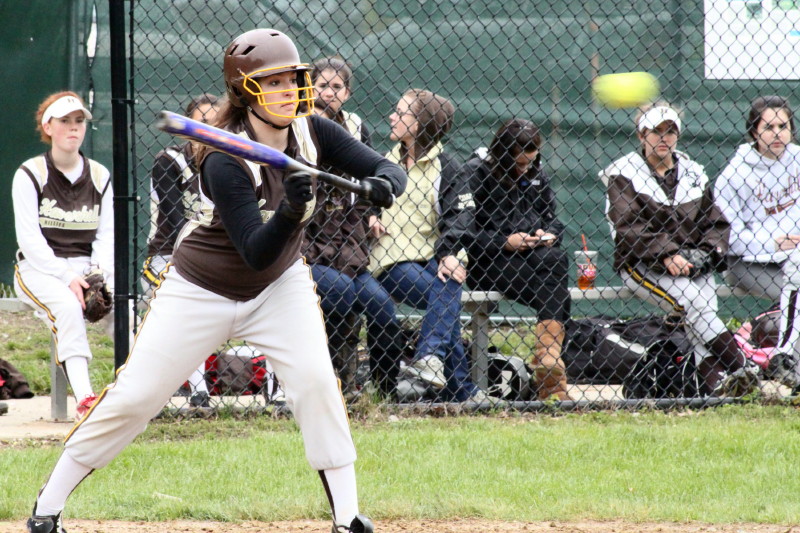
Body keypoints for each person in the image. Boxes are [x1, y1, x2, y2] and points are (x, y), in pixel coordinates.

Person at [25, 29, 405, 533]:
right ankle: (47, 508)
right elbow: (254, 250)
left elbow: (384, 165)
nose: (288, 90)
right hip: (201, 287)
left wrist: (384, 182)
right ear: (245, 91)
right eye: (273, 82)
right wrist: (291, 211)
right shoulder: (224, 158)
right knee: (136, 396)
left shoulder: (313, 130)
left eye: (292, 79)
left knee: (317, 384)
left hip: (280, 287)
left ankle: (348, 517)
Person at [602, 102, 760, 397]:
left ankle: (717, 387)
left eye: (671, 131)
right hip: (642, 263)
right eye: (656, 131)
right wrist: (666, 253)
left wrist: (706, 253)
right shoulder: (623, 173)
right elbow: (627, 228)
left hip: (691, 263)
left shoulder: (692, 172)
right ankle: (742, 367)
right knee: (694, 303)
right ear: (641, 135)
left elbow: (715, 222)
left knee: (703, 308)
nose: (664, 137)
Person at [369, 88, 483, 402]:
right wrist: (370, 215)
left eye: (400, 112)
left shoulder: (447, 167)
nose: (392, 117)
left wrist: (448, 254)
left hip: (433, 257)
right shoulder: (383, 163)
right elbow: (364, 199)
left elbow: (461, 217)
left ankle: (435, 364)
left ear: (419, 124)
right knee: (445, 294)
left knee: (449, 277)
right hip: (390, 259)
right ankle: (456, 384)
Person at [304, 57, 404, 397]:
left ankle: (385, 393)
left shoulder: (356, 128)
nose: (329, 93)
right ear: (309, 88)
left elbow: (367, 188)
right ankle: (333, 383)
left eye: (337, 87)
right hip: (306, 248)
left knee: (381, 306)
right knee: (340, 292)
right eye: (322, 85)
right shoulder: (295, 127)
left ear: (347, 93)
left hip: (346, 246)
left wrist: (370, 214)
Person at [12, 91, 112, 421]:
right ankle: (86, 399)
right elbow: (30, 241)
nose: (74, 127)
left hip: (86, 266)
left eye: (79, 121)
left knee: (122, 313)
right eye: (65, 121)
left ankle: (138, 395)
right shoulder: (30, 173)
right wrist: (68, 278)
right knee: (68, 308)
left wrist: (97, 275)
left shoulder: (99, 175)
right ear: (48, 127)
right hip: (38, 269)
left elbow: (106, 236)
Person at [464, 119, 573, 400]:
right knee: (558, 296)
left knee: (556, 257)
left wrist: (547, 234)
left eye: (530, 161)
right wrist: (503, 241)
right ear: (502, 154)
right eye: (519, 163)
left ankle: (547, 358)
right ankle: (551, 380)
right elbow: (462, 231)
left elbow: (553, 219)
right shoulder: (476, 172)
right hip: (489, 262)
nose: (526, 168)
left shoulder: (537, 171)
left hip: (533, 256)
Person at [714, 95, 800, 390]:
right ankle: (785, 358)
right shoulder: (734, 175)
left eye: (783, 126)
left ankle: (787, 364)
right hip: (748, 263)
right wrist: (772, 244)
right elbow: (729, 237)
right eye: (768, 127)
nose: (777, 134)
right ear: (754, 131)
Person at [141, 93, 221, 408]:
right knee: (190, 304)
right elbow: (176, 223)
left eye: (216, 123)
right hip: (168, 254)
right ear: (187, 128)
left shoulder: (228, 161)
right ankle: (198, 391)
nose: (209, 130)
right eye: (202, 123)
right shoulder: (169, 161)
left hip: (216, 255)